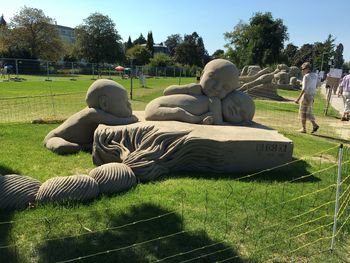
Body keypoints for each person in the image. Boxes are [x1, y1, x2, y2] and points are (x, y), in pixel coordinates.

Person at [44, 79, 138, 155]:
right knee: (63, 147)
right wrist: (133, 119)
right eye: (125, 102)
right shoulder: (93, 113)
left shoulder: (96, 111)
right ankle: (85, 147)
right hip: (55, 138)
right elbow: (117, 121)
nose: (129, 105)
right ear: (104, 103)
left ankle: (87, 145)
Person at [145, 90, 255, 125]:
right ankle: (198, 119)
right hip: (155, 108)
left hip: (154, 106)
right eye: (236, 102)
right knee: (179, 112)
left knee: (179, 111)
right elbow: (219, 123)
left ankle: (200, 119)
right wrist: (240, 123)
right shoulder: (215, 101)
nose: (236, 109)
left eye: (242, 114)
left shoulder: (209, 97)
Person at [295, 62, 319, 133]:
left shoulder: (306, 76)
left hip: (306, 95)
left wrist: (298, 99)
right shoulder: (315, 75)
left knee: (302, 112)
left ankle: (304, 128)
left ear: (307, 68)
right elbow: (317, 86)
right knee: (308, 112)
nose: (302, 70)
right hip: (312, 95)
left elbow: (304, 89)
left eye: (303, 69)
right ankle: (314, 125)